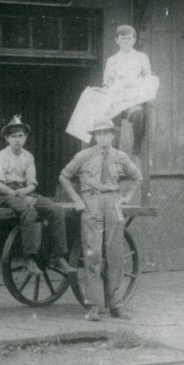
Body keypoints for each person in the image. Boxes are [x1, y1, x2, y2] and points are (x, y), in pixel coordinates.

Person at [59, 118, 142, 321]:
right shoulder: (84, 155)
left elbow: (138, 177)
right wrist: (77, 199)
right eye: (98, 134)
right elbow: (64, 176)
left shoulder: (120, 156)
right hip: (91, 202)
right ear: (94, 136)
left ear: (113, 135)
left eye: (106, 133)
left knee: (115, 255)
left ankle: (116, 304)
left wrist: (127, 197)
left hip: (112, 203)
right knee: (93, 254)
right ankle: (94, 306)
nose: (103, 137)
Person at [0, 116, 74, 276]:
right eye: (13, 136)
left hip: (24, 191)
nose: (17, 140)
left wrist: (26, 191)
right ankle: (30, 258)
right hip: (6, 193)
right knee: (29, 211)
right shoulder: (1, 156)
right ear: (7, 138)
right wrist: (15, 193)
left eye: (21, 136)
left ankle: (58, 256)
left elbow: (32, 183)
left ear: (25, 137)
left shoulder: (28, 156)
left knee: (56, 210)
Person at [103, 24, 152, 156]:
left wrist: (140, 88)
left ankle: (137, 145)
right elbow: (107, 82)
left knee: (138, 114)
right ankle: (114, 151)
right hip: (117, 99)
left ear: (134, 40)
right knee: (110, 118)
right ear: (117, 40)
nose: (126, 41)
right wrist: (109, 95)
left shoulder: (141, 58)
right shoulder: (112, 60)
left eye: (129, 39)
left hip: (134, 99)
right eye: (123, 38)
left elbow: (148, 78)